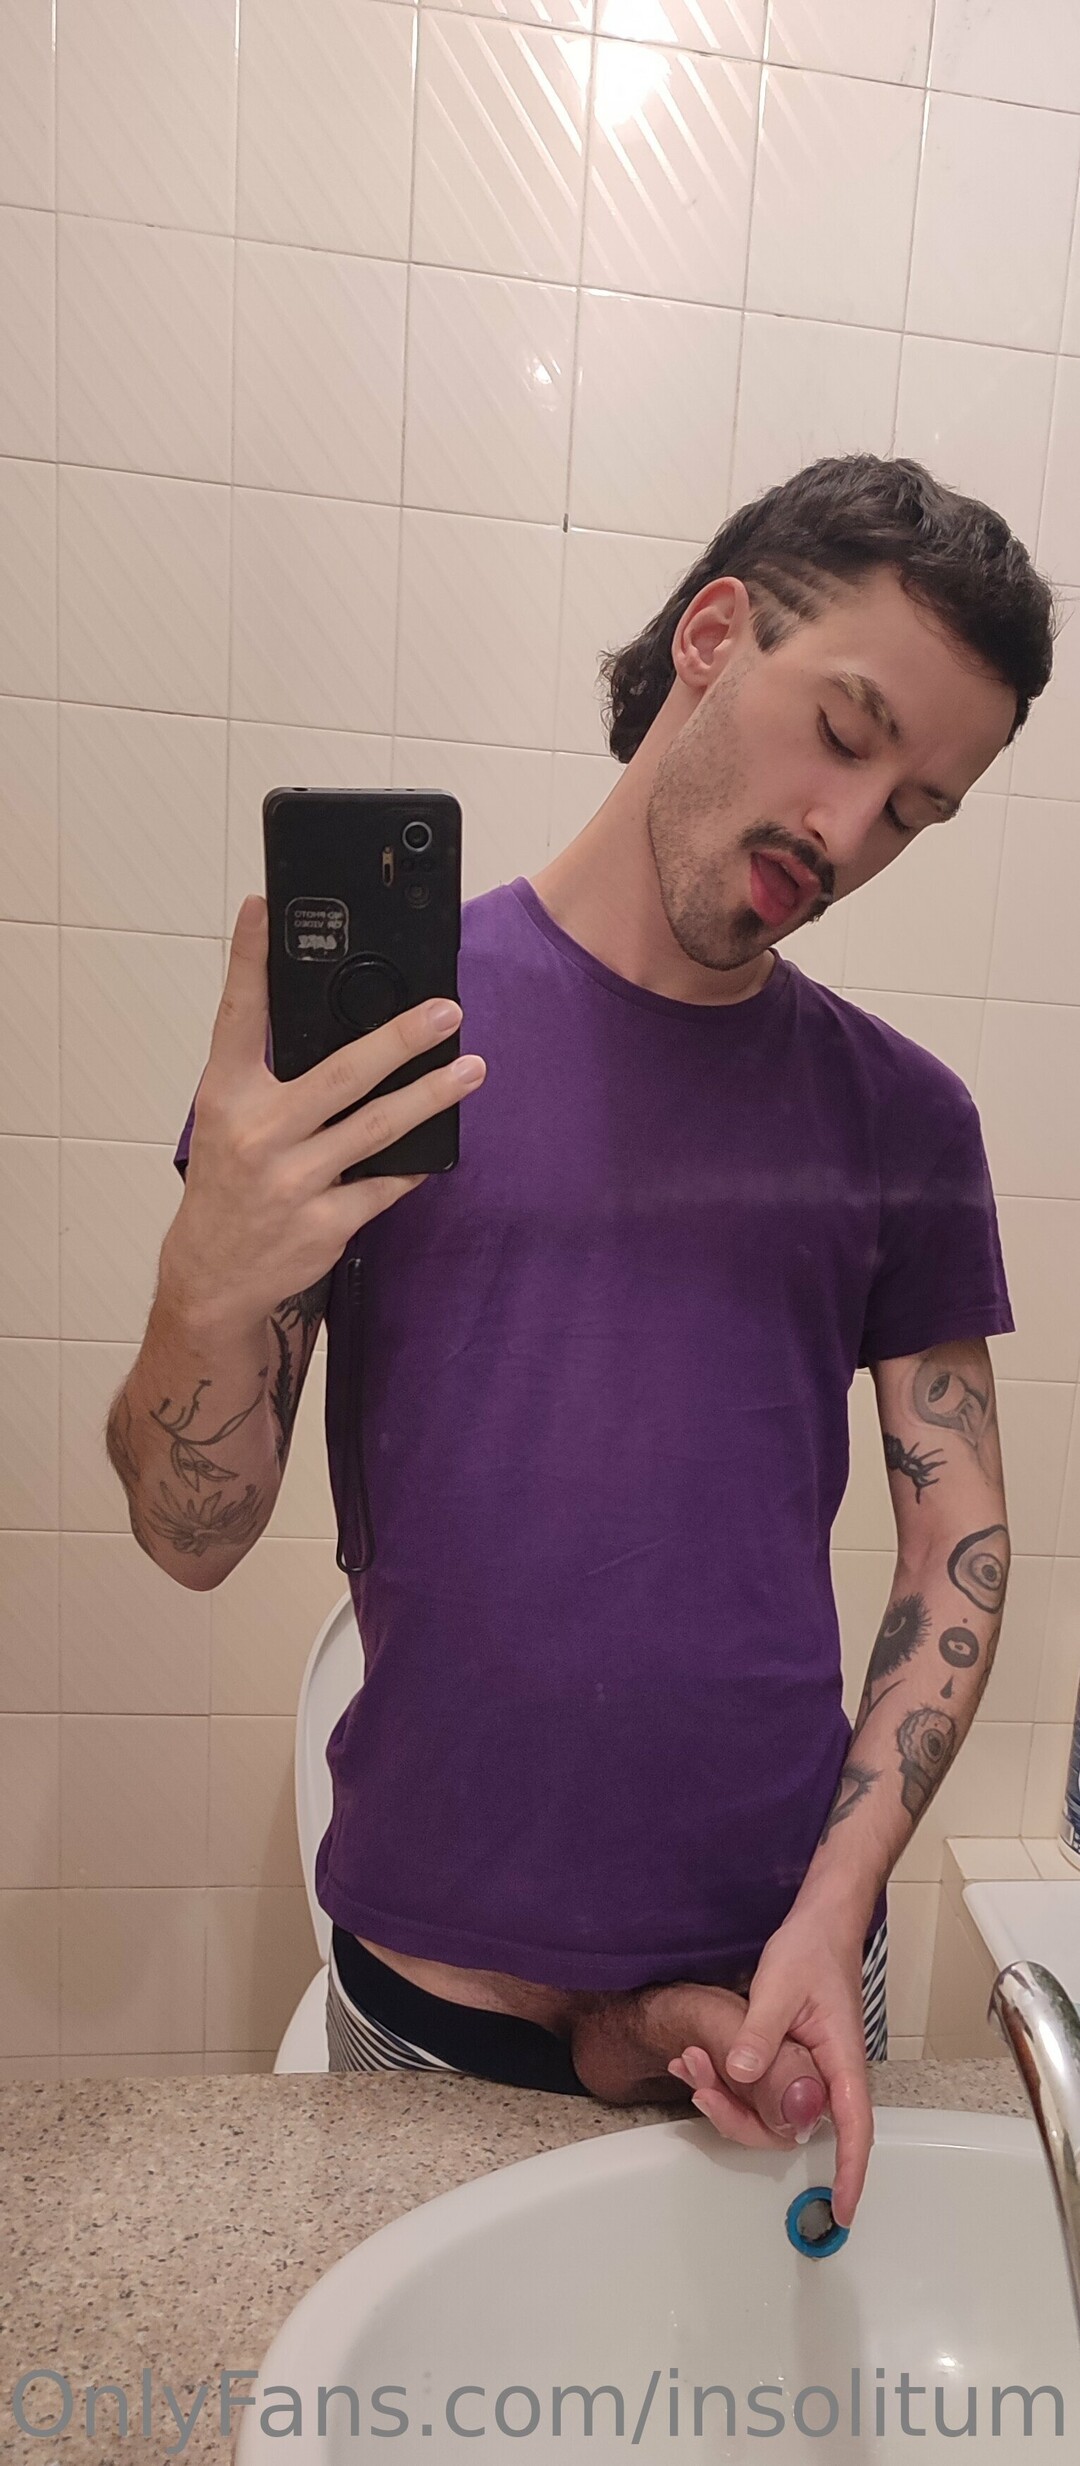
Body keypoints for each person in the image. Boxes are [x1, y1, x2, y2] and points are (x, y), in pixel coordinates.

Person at [107, 455, 1055, 2230]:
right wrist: (207, 1278)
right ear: (713, 633)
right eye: (844, 733)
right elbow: (189, 1533)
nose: (849, 832)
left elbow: (960, 1541)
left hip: (777, 1980)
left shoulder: (903, 1117)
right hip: (430, 2003)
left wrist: (842, 1895)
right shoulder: (384, 1048)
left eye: (916, 808)